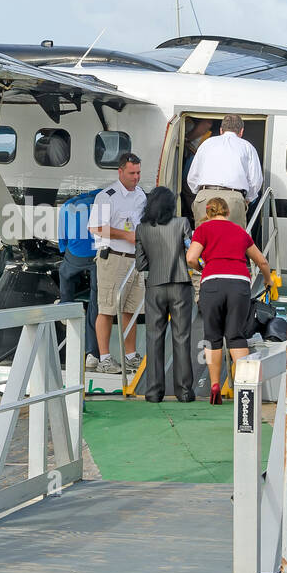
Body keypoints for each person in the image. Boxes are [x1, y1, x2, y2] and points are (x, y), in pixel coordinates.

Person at [188, 196, 275, 405]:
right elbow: (262, 261)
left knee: (212, 337)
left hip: (213, 284)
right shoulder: (240, 232)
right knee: (236, 336)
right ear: (228, 212)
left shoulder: (203, 230)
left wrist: (203, 269)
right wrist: (268, 280)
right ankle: (245, 388)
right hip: (239, 284)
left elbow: (191, 258)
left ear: (207, 213)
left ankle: (215, 384)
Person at [134, 186, 195, 402]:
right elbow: (192, 254)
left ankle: (153, 392)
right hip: (180, 284)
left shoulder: (142, 229)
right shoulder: (182, 224)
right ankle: (184, 392)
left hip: (155, 287)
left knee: (154, 338)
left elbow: (140, 264)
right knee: (181, 337)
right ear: (171, 205)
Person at [88, 153, 147, 374]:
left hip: (134, 260)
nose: (136, 177)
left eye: (139, 172)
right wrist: (125, 235)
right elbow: (95, 227)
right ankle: (104, 357)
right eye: (132, 173)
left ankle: (130, 355)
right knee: (107, 309)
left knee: (130, 309)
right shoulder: (107, 196)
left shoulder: (141, 195)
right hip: (113, 257)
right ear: (120, 172)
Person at [186, 113, 263, 232]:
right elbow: (255, 181)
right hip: (234, 199)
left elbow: (192, 177)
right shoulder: (248, 147)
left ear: (221, 130)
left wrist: (200, 194)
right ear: (241, 131)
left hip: (205, 197)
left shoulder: (206, 144)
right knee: (232, 244)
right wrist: (247, 198)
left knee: (205, 242)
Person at [57, 188, 101, 370]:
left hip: (76, 256)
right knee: (96, 301)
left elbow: (62, 241)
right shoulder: (104, 203)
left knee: (65, 273)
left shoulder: (67, 206)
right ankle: (93, 353)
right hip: (98, 257)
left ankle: (66, 305)